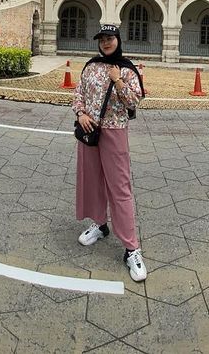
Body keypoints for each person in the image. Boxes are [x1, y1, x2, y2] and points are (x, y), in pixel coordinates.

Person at [71, 23, 146, 281]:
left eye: (110, 38)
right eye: (102, 38)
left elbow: (134, 101)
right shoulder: (90, 66)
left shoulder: (127, 69)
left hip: (114, 131)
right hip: (89, 131)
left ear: (118, 40)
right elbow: (78, 92)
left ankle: (131, 248)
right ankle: (100, 225)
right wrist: (80, 113)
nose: (105, 42)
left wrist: (118, 82)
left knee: (120, 187)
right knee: (92, 181)